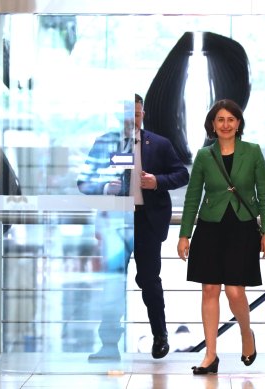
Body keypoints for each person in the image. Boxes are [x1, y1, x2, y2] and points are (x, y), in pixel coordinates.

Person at [78, 94, 189, 360]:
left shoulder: (159, 144)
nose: (132, 120)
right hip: (115, 221)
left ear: (143, 114)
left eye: (136, 114)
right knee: (113, 284)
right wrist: (105, 187)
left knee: (149, 281)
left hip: (146, 221)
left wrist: (157, 181)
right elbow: (84, 182)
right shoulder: (105, 143)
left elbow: (182, 174)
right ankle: (108, 345)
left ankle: (160, 338)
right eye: (127, 115)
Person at [177, 99, 265, 375]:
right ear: (212, 125)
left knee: (234, 291)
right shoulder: (204, 156)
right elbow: (193, 196)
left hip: (242, 226)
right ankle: (210, 354)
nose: (226, 124)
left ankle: (246, 334)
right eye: (220, 119)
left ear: (239, 123)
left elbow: (264, 195)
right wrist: (185, 234)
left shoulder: (253, 152)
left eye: (231, 119)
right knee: (209, 289)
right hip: (210, 227)